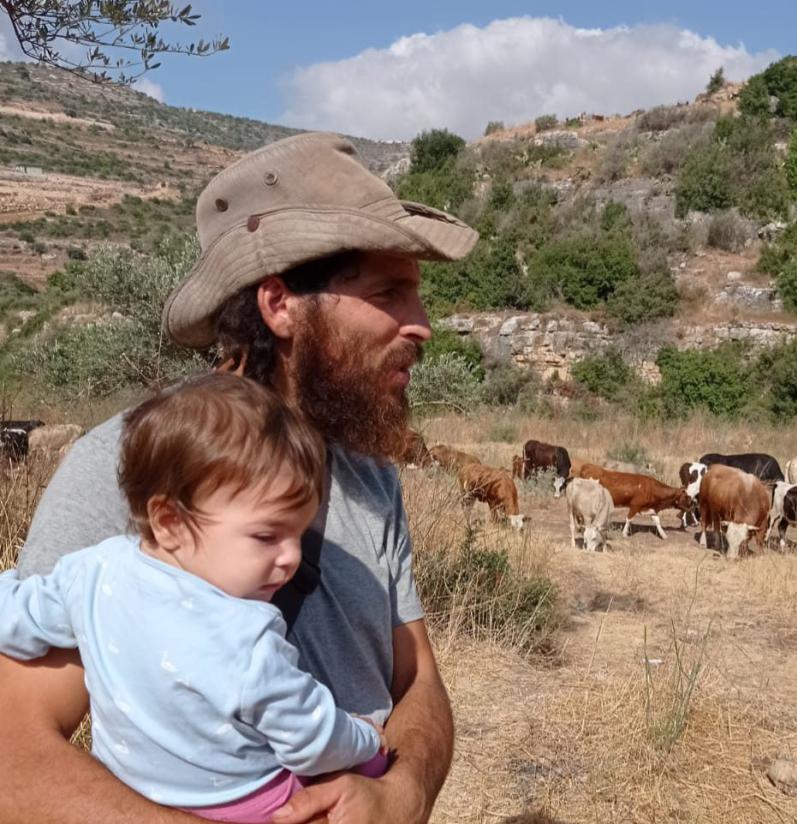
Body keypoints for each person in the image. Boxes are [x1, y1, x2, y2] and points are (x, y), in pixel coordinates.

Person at [0, 131, 479, 824]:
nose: (423, 325)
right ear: (279, 304)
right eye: (390, 291)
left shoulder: (372, 475)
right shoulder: (132, 469)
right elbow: (13, 752)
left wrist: (401, 795)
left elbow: (420, 681)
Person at [0, 374, 390, 822]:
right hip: (251, 802)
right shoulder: (246, 636)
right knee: (372, 771)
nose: (291, 557)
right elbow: (311, 740)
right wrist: (363, 735)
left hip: (128, 790)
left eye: (299, 534)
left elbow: (18, 616)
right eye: (267, 535)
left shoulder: (91, 571)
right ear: (168, 521)